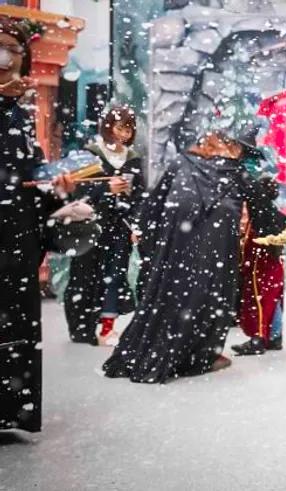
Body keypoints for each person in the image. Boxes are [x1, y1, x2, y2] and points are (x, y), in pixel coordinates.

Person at [102, 123, 277, 383]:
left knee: (168, 293)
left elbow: (151, 209)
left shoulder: (181, 163)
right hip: (215, 249)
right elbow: (265, 215)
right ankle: (201, 355)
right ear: (235, 146)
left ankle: (152, 350)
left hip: (174, 248)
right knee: (212, 296)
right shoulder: (236, 173)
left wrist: (151, 248)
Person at [0, 16, 76, 431]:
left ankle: (9, 409)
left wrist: (56, 187)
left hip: (15, 232)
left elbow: (32, 171)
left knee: (15, 319)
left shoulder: (17, 112)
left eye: (13, 49)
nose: (6, 56)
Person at [63, 105, 144, 347]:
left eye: (128, 129)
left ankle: (107, 327)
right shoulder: (90, 154)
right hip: (89, 225)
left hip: (120, 226)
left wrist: (136, 226)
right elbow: (78, 192)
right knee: (84, 275)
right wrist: (106, 190)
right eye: (120, 127)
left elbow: (139, 195)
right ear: (108, 127)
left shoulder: (133, 159)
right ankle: (82, 327)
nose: (124, 134)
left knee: (115, 275)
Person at [232, 176, 286, 356]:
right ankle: (274, 336)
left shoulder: (261, 218)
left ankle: (260, 337)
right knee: (273, 300)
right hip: (274, 265)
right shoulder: (277, 216)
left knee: (261, 301)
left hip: (262, 266)